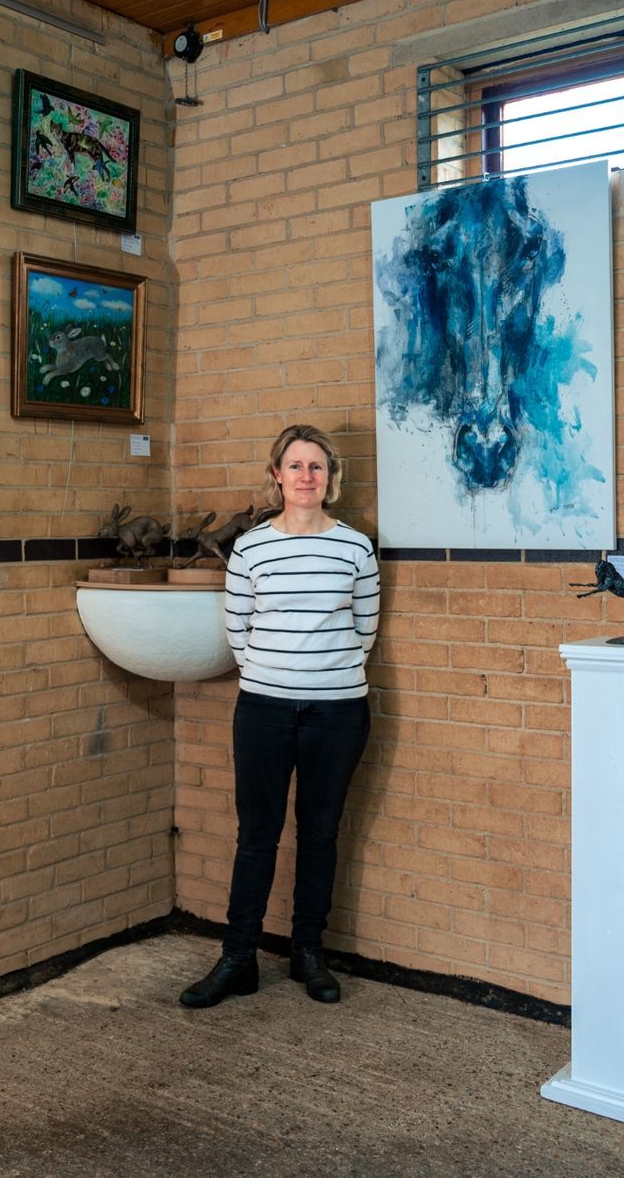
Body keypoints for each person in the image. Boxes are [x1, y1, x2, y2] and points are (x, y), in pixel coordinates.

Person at [180, 424, 380, 1008]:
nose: (305, 477)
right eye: (295, 466)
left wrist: (322, 672)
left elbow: (365, 629)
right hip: (263, 710)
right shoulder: (251, 547)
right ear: (277, 475)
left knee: (320, 835)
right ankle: (237, 958)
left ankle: (307, 954)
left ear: (330, 478)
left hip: (339, 710)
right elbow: (236, 629)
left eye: (316, 467)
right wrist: (274, 673)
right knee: (257, 837)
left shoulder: (355, 547)